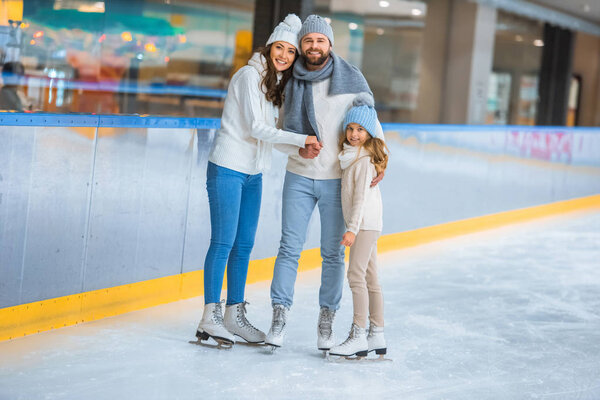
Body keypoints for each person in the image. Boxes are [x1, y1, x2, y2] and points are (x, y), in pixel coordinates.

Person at [195, 14, 318, 347]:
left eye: (291, 52)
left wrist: (299, 151)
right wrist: (301, 138)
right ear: (269, 48)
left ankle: (234, 313)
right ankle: (211, 314)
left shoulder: (272, 85)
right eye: (280, 48)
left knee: (244, 245)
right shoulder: (249, 76)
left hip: (253, 174)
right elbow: (254, 129)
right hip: (227, 168)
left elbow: (268, 139)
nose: (284, 56)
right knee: (223, 242)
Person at [266, 15, 384, 350]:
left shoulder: (352, 79)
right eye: (308, 41)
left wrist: (379, 158)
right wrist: (297, 144)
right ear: (301, 45)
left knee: (332, 254)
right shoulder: (289, 82)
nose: (314, 46)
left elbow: (370, 120)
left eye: (320, 40)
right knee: (289, 248)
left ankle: (326, 319)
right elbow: (275, 132)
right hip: (299, 177)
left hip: (337, 182)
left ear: (329, 45)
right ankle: (279, 315)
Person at [329, 95, 388, 358]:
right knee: (371, 277)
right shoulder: (351, 156)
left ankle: (358, 333)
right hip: (369, 224)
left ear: (369, 133)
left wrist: (351, 228)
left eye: (360, 130)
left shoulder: (363, 160)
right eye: (350, 128)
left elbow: (361, 199)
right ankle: (377, 334)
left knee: (355, 276)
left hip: (364, 224)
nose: (354, 134)